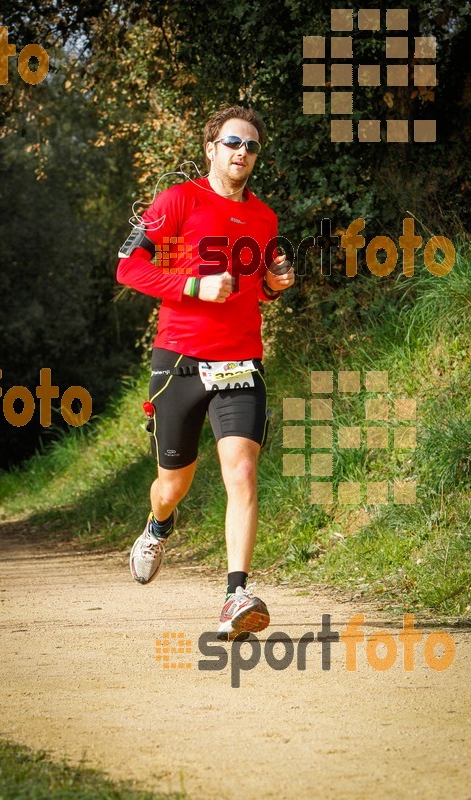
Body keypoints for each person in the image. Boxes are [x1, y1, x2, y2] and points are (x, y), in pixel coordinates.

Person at [116, 104, 294, 640]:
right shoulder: (177, 201)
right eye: (233, 143)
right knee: (173, 484)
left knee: (241, 471)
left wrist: (273, 285)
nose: (243, 152)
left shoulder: (264, 218)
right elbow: (128, 267)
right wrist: (193, 286)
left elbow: (254, 286)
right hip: (180, 362)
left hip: (241, 361)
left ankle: (235, 595)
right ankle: (158, 525)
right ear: (211, 148)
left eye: (252, 146)